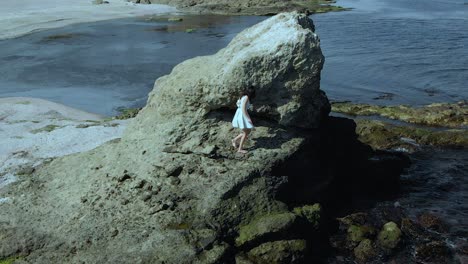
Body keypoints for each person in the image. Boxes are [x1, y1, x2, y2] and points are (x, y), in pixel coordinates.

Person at [231, 87, 255, 154]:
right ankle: (240, 149)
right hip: (242, 115)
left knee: (247, 131)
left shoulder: (242, 96)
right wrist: (248, 119)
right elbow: (243, 109)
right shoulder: (246, 97)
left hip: (239, 114)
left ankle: (234, 140)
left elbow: (240, 106)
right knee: (245, 132)